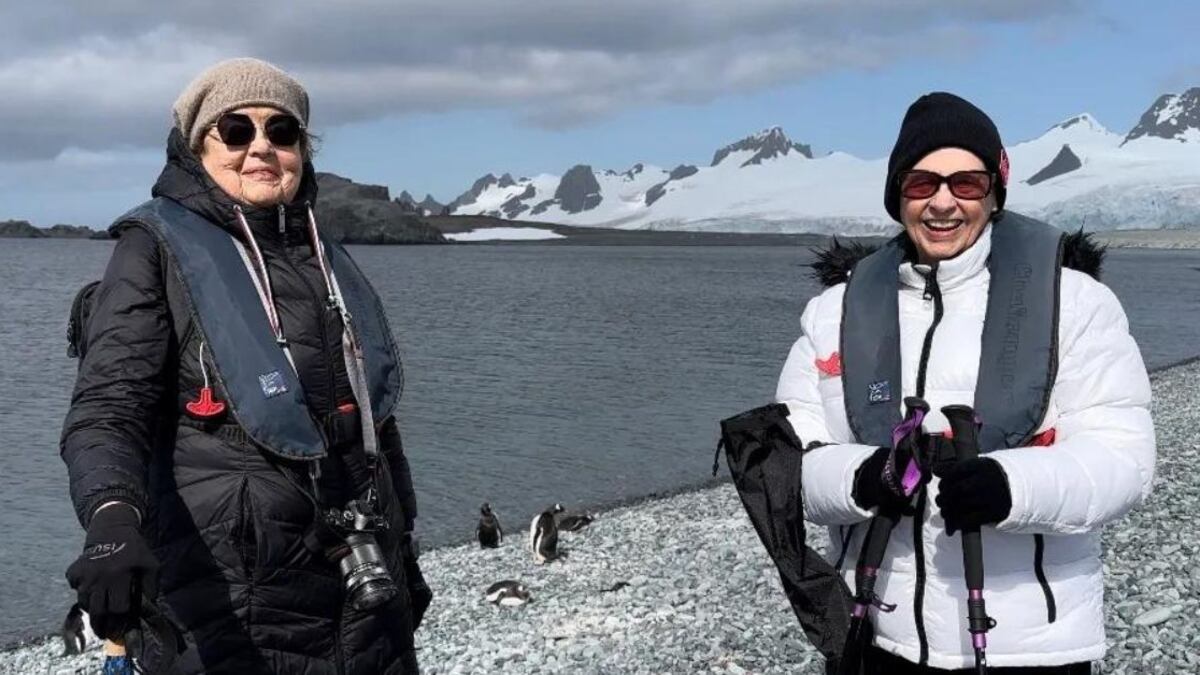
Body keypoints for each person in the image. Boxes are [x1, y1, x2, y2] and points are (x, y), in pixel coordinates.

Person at [61, 58, 430, 674]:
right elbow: (108, 409)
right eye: (235, 130)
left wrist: (406, 549)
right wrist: (110, 520)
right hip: (231, 600)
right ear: (196, 145)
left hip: (363, 585)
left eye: (282, 132)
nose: (261, 147)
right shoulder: (153, 249)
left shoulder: (324, 255)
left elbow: (376, 423)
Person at [775, 92, 1155, 673]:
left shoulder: (1075, 304)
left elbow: (1123, 458)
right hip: (877, 637)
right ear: (897, 194)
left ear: (995, 191)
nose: (944, 203)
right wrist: (859, 476)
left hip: (1031, 648)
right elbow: (786, 463)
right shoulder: (835, 313)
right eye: (923, 183)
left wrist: (1011, 485)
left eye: (967, 184)